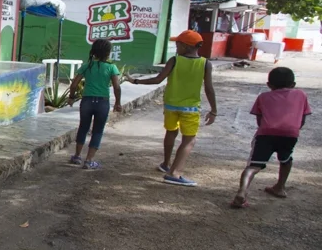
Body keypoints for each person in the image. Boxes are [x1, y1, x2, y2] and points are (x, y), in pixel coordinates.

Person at [128, 31, 217, 186]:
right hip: (190, 108)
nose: (176, 46)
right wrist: (214, 110)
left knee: (171, 132)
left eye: (177, 44)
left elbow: (158, 79)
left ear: (185, 46)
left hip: (170, 106)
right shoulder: (205, 63)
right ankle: (175, 173)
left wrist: (135, 81)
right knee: (189, 140)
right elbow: (209, 88)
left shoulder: (174, 60)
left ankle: (166, 164)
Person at [230, 67, 311, 208]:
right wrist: (294, 129)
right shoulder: (301, 95)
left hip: (266, 133)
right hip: (290, 134)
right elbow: (302, 119)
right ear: (293, 84)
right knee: (286, 160)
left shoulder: (263, 97)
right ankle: (280, 187)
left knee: (253, 166)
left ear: (269, 85)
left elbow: (259, 120)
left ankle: (242, 192)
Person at [67, 39, 123, 170]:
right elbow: (117, 87)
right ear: (108, 53)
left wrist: (71, 97)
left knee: (83, 128)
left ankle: (76, 156)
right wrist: (118, 103)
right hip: (102, 102)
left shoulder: (87, 66)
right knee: (97, 131)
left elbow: (74, 84)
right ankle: (89, 161)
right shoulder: (111, 67)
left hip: (87, 101)